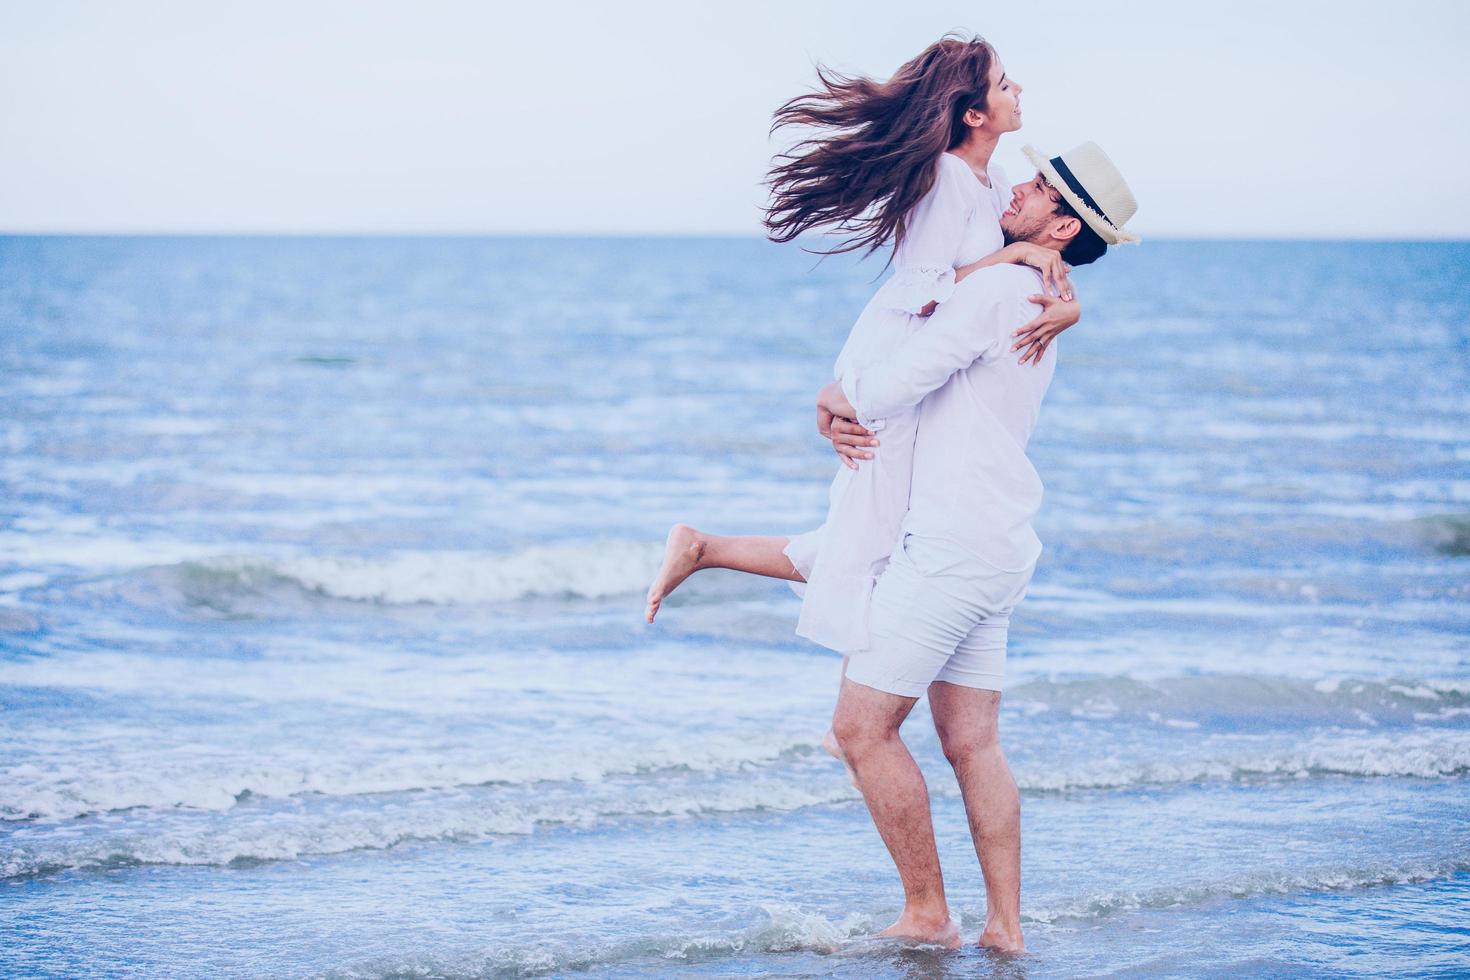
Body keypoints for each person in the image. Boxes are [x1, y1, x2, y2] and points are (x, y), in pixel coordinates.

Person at [815, 142, 1140, 952]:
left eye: (1037, 190)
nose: (1018, 188)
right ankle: (1005, 931)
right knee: (973, 742)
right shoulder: (1035, 283)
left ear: (1062, 225)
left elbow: (898, 381)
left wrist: (834, 396)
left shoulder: (1004, 286)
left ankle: (928, 913)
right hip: (996, 546)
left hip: (954, 547)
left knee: (861, 730)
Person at [644, 34, 1079, 635]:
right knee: (870, 532)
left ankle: (704, 549)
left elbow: (1045, 244)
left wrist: (1068, 307)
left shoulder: (995, 179)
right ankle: (858, 701)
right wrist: (1013, 259)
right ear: (974, 113)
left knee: (880, 528)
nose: (1018, 89)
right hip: (896, 350)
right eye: (1005, 84)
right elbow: (925, 292)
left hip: (918, 363)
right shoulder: (946, 178)